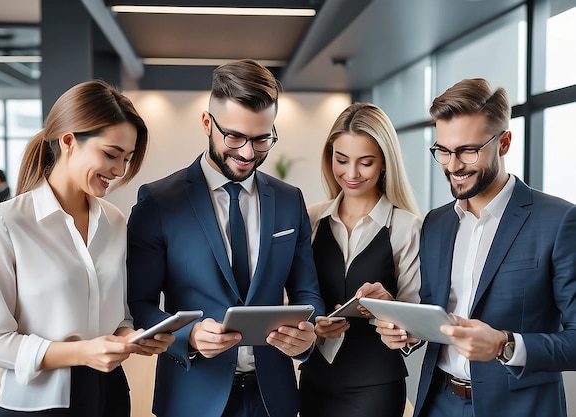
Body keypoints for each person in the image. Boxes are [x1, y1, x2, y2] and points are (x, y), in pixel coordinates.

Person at [127, 59, 325, 417]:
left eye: (263, 138)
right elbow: (139, 303)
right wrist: (188, 335)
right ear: (207, 123)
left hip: (273, 398)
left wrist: (308, 332)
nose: (249, 153)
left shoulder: (289, 199)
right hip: (191, 395)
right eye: (234, 136)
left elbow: (307, 291)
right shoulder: (158, 201)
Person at [0, 80, 175, 417]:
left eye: (127, 158)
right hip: (38, 405)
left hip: (110, 395)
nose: (120, 171)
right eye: (111, 154)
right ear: (68, 141)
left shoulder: (115, 221)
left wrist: (132, 336)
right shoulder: (3, 224)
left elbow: (117, 314)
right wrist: (83, 353)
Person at [376, 78, 576, 417]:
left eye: (468, 151)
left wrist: (504, 344)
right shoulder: (436, 224)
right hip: (438, 402)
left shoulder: (558, 221)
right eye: (443, 150)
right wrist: (406, 329)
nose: (453, 166)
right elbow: (435, 311)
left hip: (519, 408)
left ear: (504, 143)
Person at [298, 102, 422, 417]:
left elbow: (416, 316)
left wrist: (390, 307)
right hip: (315, 378)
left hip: (376, 386)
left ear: (384, 163)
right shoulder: (310, 219)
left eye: (365, 162)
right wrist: (314, 324)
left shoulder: (407, 226)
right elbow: (294, 293)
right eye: (341, 160)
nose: (351, 174)